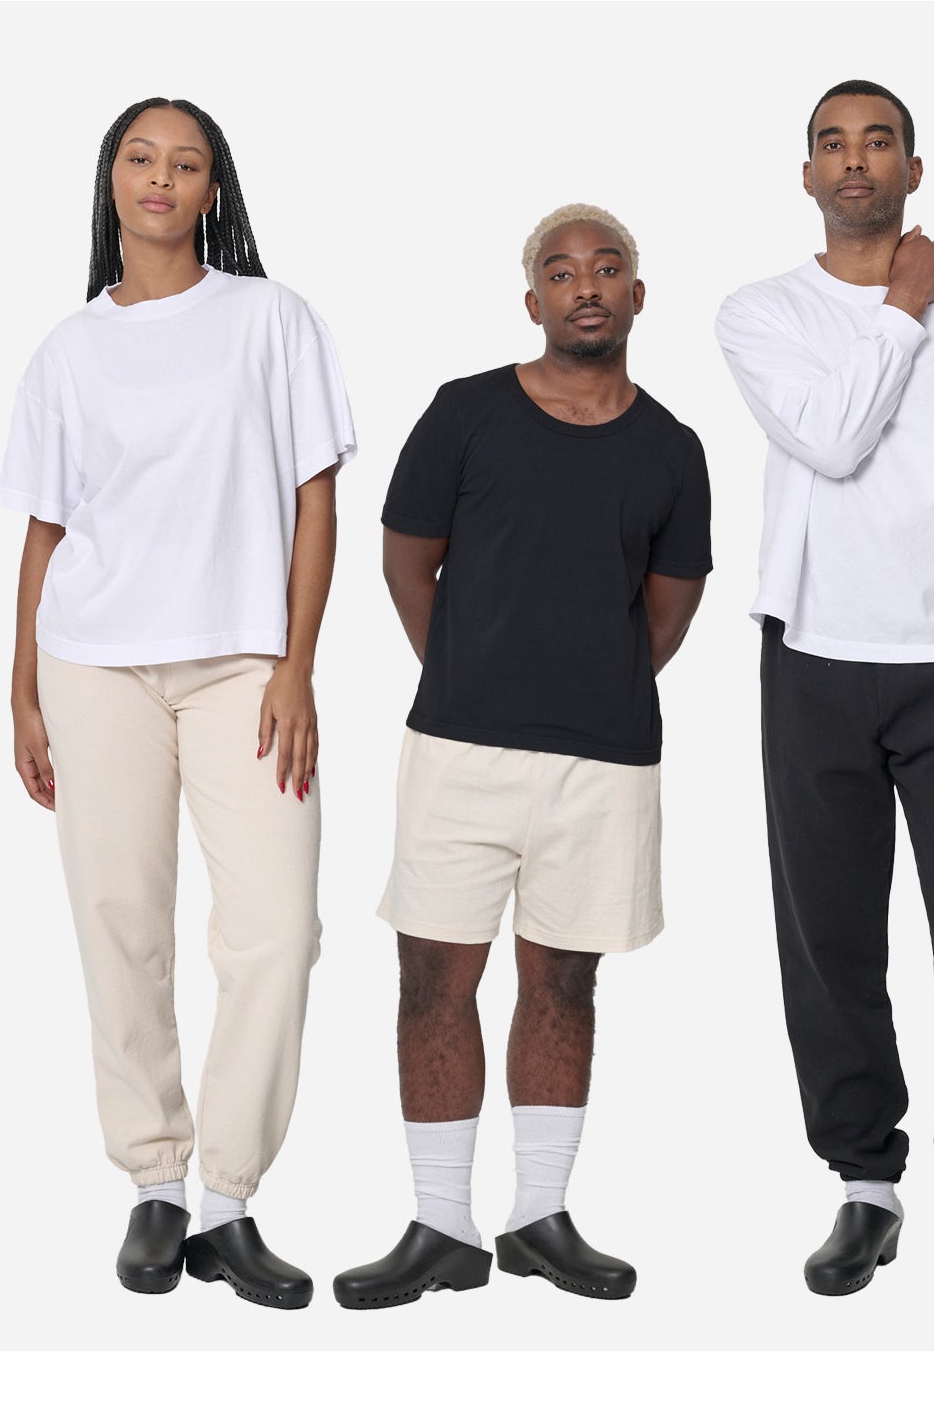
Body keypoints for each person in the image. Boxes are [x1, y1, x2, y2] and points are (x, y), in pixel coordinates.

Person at [0, 96, 353, 1309]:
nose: (160, 178)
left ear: (213, 188)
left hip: (243, 662)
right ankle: (154, 1181)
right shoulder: (67, 350)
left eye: (185, 162)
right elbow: (47, 530)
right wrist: (20, 690)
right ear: (111, 179)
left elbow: (315, 500)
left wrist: (297, 664)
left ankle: (229, 1199)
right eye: (140, 158)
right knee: (119, 920)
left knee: (276, 930)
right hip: (92, 663)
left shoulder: (270, 318)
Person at [716, 79, 934, 1314]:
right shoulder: (760, 313)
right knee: (830, 941)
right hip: (811, 659)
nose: (853, 160)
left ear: (915, 167)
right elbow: (831, 437)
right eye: (831, 143)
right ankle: (865, 1184)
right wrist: (903, 310)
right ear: (806, 173)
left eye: (877, 141)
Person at [332, 204, 710, 1311]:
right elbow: (406, 566)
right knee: (431, 980)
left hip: (603, 763)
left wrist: (583, 682)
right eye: (561, 270)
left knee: (565, 982)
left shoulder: (672, 449)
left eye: (607, 267)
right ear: (533, 299)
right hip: (459, 749)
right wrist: (472, 670)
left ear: (636, 294)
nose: (585, 285)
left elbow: (667, 613)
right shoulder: (465, 413)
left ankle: (539, 1216)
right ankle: (440, 1224)